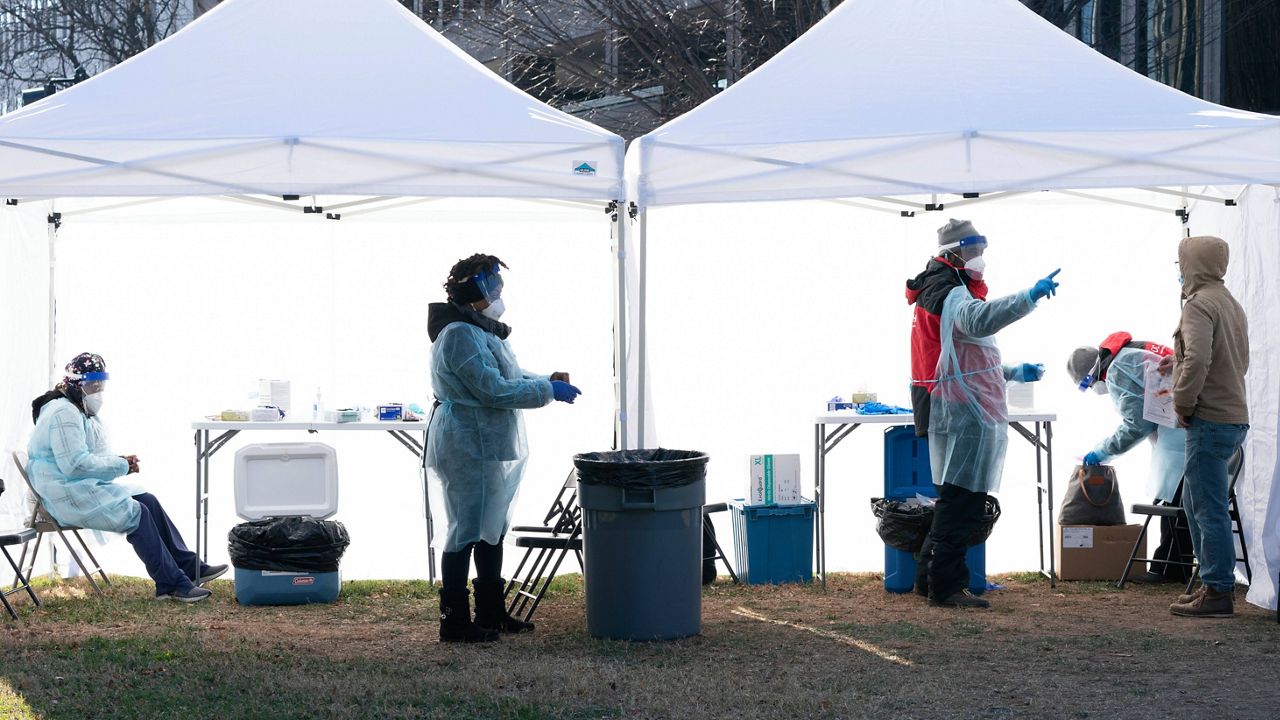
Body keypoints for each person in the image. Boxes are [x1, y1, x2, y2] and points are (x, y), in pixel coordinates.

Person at [425, 253, 581, 643]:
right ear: (475, 288)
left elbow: (505, 376)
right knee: (464, 531)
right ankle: (455, 621)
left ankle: (492, 613)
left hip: (485, 444)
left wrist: (544, 378)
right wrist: (547, 391)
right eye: (493, 284)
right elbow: (491, 388)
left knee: (491, 529)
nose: (499, 291)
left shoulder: (481, 331)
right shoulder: (459, 334)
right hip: (466, 444)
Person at [906, 219, 1059, 609]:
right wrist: (1029, 296)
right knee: (962, 500)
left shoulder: (948, 288)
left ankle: (929, 579)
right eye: (974, 253)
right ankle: (945, 586)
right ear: (954, 253)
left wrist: (1011, 372)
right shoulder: (947, 290)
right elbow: (977, 322)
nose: (980, 261)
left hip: (957, 402)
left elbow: (967, 354)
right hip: (958, 409)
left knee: (954, 499)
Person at [27, 353, 227, 602]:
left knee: (147, 500)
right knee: (137, 513)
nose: (97, 392)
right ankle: (170, 584)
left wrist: (120, 462)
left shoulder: (77, 408)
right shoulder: (63, 413)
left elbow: (85, 455)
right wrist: (120, 465)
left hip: (74, 485)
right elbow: (75, 465)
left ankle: (189, 568)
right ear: (75, 384)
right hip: (60, 494)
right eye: (92, 386)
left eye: (101, 385)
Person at [1165, 235, 1249, 618]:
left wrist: (1183, 403)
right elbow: (1239, 360)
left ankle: (1217, 590)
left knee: (1207, 507)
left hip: (1209, 418)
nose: (1179, 270)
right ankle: (1210, 583)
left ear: (1191, 264)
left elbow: (1197, 359)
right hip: (1232, 416)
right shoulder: (1231, 303)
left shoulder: (1198, 305)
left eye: (1180, 263)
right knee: (1194, 501)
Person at [1067, 332, 1193, 583]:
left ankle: (1169, 570)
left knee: (1173, 503)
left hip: (1182, 435)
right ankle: (1172, 568)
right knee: (1173, 501)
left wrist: (1102, 451)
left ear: (1092, 375)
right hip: (1185, 427)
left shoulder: (1117, 371)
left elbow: (1137, 425)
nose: (1093, 390)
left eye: (1087, 385)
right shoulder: (1129, 354)